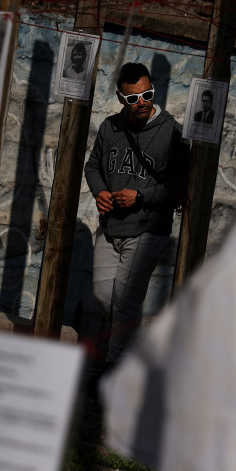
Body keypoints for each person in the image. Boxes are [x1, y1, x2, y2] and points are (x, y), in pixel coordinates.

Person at [85, 62, 189, 367]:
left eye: (147, 95)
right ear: (121, 98)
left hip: (148, 230)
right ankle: (135, 347)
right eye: (133, 99)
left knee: (126, 302)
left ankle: (113, 368)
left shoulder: (172, 134)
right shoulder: (109, 127)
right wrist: (100, 191)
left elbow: (177, 188)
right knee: (105, 297)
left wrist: (140, 196)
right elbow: (92, 167)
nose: (142, 103)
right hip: (111, 227)